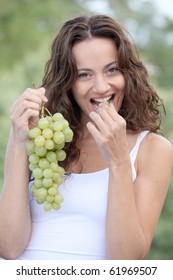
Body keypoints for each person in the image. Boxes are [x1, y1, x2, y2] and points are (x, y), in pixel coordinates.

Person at [0, 14, 173, 260]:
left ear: (128, 73)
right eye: (84, 75)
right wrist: (18, 143)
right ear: (68, 81)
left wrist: (119, 161)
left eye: (112, 69)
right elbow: (7, 247)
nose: (102, 87)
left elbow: (126, 261)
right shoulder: (38, 137)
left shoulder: (153, 149)